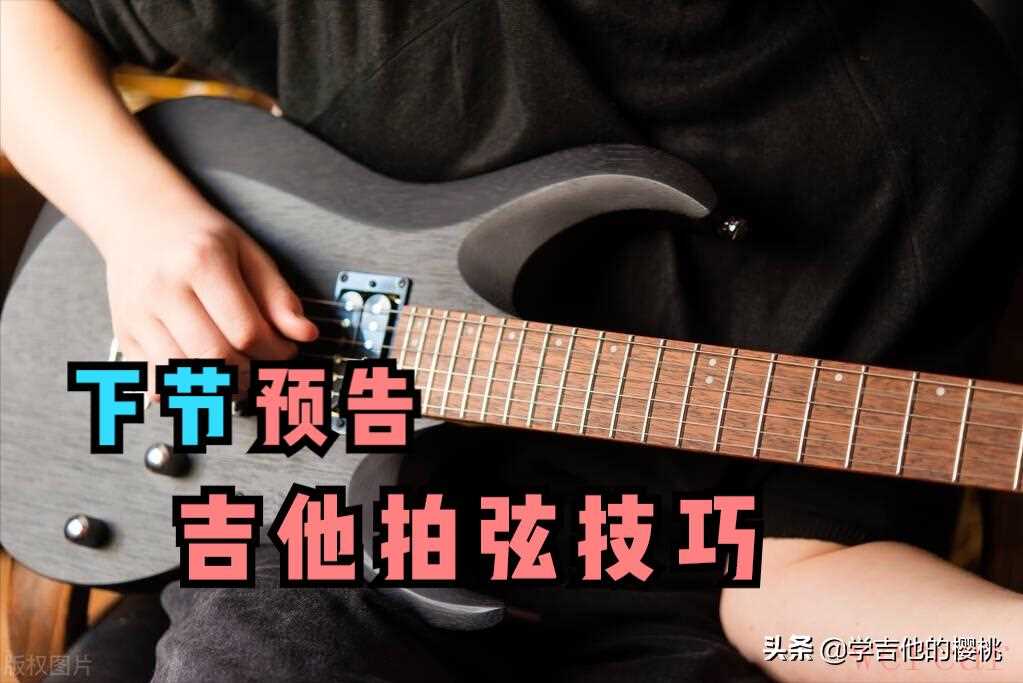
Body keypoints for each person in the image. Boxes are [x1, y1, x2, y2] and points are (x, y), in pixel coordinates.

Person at [2, 1, 1022, 681]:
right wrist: (141, 222)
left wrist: (995, 648)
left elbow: (798, 570)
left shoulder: (938, 109)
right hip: (313, 542)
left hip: (659, 610)